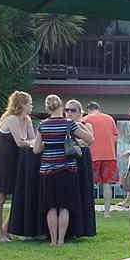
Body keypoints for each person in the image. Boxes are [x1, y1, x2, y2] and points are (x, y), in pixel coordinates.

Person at [33, 95, 81, 246]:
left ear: (47, 108)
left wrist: (47, 144)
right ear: (61, 106)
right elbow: (89, 138)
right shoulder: (69, 123)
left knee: (51, 207)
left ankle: (53, 241)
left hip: (47, 169)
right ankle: (61, 240)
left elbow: (36, 149)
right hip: (66, 168)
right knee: (64, 206)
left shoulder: (42, 125)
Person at [0, 91, 35, 242]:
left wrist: (32, 142)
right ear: (22, 105)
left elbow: (32, 139)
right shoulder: (12, 119)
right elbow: (20, 142)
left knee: (18, 196)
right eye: (29, 104)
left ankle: (6, 228)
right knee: (0, 198)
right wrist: (31, 142)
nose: (32, 106)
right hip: (2, 161)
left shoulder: (27, 120)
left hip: (17, 161)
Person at [82, 101, 118, 217]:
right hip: (109, 155)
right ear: (99, 108)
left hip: (93, 155)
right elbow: (115, 138)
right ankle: (107, 212)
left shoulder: (86, 119)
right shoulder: (110, 119)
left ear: (88, 110)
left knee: (89, 184)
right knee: (107, 184)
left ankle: (89, 211)